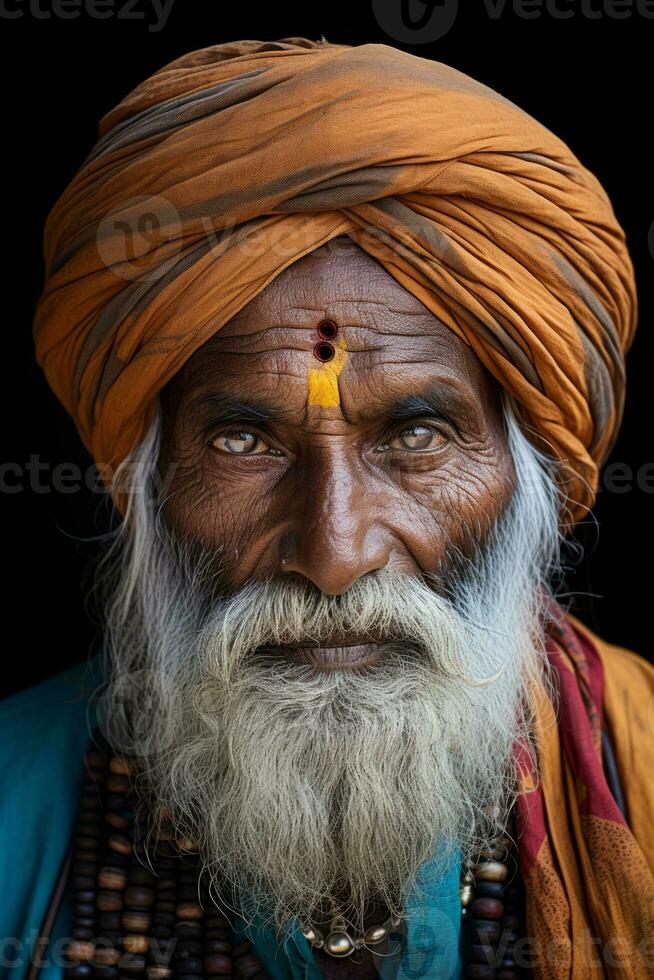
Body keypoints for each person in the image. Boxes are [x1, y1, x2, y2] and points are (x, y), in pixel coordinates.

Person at [2, 35, 653, 980]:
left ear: (532, 476)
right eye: (241, 440)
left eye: (418, 436)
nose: (335, 549)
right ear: (144, 484)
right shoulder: (16, 812)